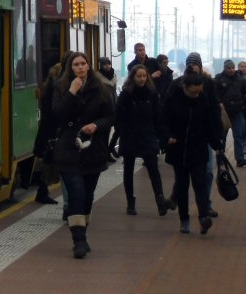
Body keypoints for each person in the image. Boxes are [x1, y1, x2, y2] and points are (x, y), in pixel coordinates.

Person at [51, 51, 115, 258]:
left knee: (88, 195)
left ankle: (83, 232)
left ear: (88, 67)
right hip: (69, 149)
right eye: (75, 64)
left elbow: (110, 117)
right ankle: (78, 239)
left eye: (83, 64)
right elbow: (58, 116)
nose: (80, 67)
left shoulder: (102, 89)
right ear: (70, 68)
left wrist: (96, 125)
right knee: (76, 193)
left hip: (92, 150)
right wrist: (71, 93)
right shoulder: (61, 88)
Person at [163, 69, 223, 234]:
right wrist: (168, 136)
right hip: (178, 149)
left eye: (199, 91)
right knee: (182, 186)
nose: (196, 94)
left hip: (198, 148)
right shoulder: (173, 99)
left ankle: (204, 217)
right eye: (193, 92)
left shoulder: (203, 101)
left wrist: (217, 144)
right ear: (185, 87)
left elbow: (209, 124)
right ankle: (184, 219)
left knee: (200, 184)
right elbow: (164, 120)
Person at [115, 64, 173, 216]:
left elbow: (158, 117)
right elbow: (119, 116)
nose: (141, 79)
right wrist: (122, 132)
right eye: (138, 76)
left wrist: (162, 138)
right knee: (128, 169)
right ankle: (130, 202)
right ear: (132, 77)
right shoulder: (126, 94)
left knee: (153, 168)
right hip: (130, 136)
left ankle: (160, 201)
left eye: (144, 76)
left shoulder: (152, 93)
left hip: (148, 135)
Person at [31, 52, 75, 205]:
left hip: (49, 127)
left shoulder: (54, 77)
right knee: (53, 162)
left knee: (50, 161)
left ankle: (43, 192)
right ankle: (60, 200)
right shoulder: (60, 82)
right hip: (53, 128)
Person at [214, 59, 246, 167]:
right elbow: (214, 93)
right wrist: (219, 103)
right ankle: (220, 157)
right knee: (222, 136)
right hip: (224, 112)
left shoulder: (240, 80)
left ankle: (240, 159)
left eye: (232, 68)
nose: (231, 70)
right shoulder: (218, 79)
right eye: (228, 68)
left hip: (237, 112)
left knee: (238, 135)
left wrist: (242, 104)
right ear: (224, 68)